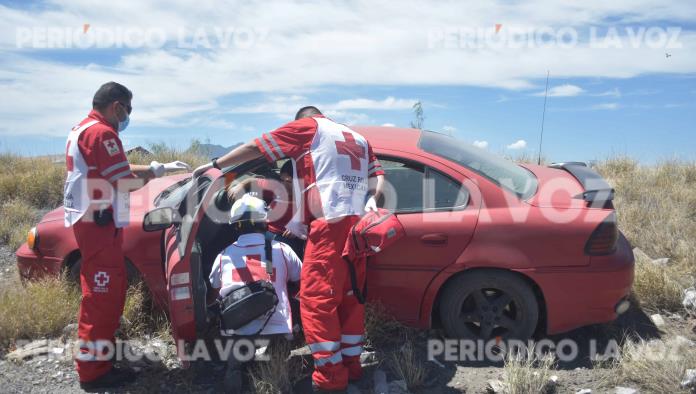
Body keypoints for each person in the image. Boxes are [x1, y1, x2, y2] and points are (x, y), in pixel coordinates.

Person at [194, 106, 385, 392]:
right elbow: (378, 178)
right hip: (358, 228)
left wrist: (216, 164)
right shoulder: (357, 138)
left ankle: (330, 380)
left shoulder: (309, 129)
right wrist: (373, 200)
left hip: (327, 230)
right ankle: (351, 367)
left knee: (317, 304)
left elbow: (254, 147)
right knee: (350, 297)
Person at [64, 81, 190, 391]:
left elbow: (115, 168)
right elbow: (125, 182)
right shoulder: (102, 133)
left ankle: (98, 360)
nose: (128, 116)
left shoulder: (84, 128)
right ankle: (93, 373)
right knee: (103, 298)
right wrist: (152, 176)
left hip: (94, 223)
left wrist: (153, 168)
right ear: (117, 106)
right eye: (128, 109)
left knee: (104, 293)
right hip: (99, 225)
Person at [209, 194, 302, 392]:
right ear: (265, 222)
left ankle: (235, 371)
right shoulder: (283, 250)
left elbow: (214, 289)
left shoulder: (224, 255)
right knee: (277, 360)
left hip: (237, 329)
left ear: (235, 226)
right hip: (277, 330)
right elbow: (301, 279)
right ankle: (277, 374)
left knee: (235, 358)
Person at [228, 160, 305, 258]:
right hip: (264, 230)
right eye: (282, 180)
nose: (283, 184)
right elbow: (252, 181)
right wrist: (240, 186)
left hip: (287, 239)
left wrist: (300, 227)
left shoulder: (309, 196)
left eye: (288, 181)